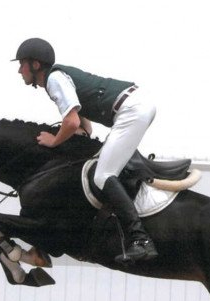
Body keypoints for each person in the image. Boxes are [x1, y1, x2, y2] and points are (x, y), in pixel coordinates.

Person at [12, 37, 158, 264]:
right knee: (103, 168)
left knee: (103, 175)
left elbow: (69, 123)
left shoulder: (54, 80)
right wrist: (79, 133)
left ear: (36, 65)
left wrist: (54, 142)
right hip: (134, 106)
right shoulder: (57, 78)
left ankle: (141, 240)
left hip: (131, 110)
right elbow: (82, 123)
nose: (19, 70)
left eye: (22, 64)